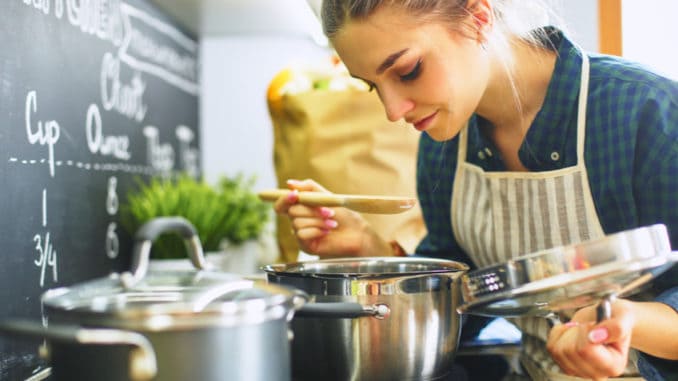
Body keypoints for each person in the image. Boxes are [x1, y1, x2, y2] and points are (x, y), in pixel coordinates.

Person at [272, 0, 678, 379]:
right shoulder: (445, 145)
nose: (393, 110)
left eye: (408, 70)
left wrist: (627, 322)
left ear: (478, 18)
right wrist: (366, 248)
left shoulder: (645, 111)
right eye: (373, 86)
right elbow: (462, 306)